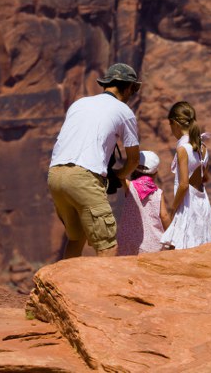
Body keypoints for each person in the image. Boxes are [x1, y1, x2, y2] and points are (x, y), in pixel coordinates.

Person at [47, 63, 141, 258]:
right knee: (107, 244)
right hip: (83, 178)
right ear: (125, 86)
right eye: (133, 88)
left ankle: (61, 287)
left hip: (55, 175)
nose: (133, 93)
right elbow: (133, 160)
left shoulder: (79, 104)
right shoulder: (124, 112)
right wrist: (118, 176)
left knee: (76, 237)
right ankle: (107, 289)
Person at [158, 101, 211, 249]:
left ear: (175, 123)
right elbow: (204, 177)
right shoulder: (203, 146)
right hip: (202, 203)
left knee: (184, 247)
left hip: (187, 205)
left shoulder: (183, 148)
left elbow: (183, 184)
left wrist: (173, 208)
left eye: (170, 125)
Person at [116, 151, 171, 256]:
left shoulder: (130, 186)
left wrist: (131, 165)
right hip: (153, 244)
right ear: (155, 173)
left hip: (128, 242)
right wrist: (172, 237)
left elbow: (120, 176)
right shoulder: (158, 193)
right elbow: (164, 216)